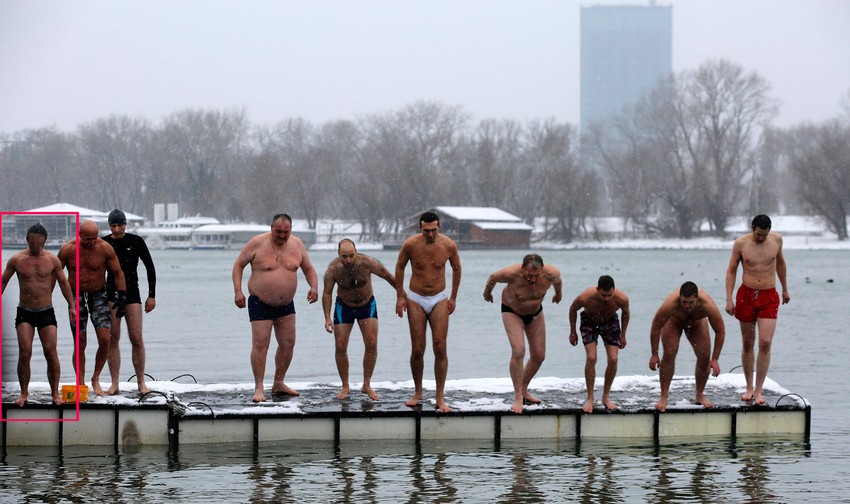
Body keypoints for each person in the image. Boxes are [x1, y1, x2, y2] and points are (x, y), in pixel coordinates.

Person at [232, 213, 318, 402]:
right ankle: (259, 388)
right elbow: (238, 266)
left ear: (291, 230)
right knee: (261, 344)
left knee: (288, 344)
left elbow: (309, 269)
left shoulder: (297, 245)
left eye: (285, 232)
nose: (281, 236)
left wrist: (314, 286)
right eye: (277, 232)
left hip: (286, 304)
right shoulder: (257, 243)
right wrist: (238, 291)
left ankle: (279, 382)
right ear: (271, 229)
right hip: (260, 302)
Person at [394, 211, 461, 413]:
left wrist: (453, 297)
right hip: (415, 297)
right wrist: (400, 295)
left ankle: (440, 396)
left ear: (439, 227)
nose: (430, 234)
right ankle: (418, 391)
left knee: (440, 347)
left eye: (433, 230)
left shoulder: (448, 245)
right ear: (420, 228)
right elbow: (399, 267)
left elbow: (457, 269)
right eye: (426, 230)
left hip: (440, 297)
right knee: (418, 349)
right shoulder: (411, 244)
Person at [2, 224, 76, 406]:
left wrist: (72, 306)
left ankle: (55, 393)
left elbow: (64, 283)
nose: (36, 245)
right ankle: (24, 393)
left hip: (46, 311)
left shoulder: (52, 260)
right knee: (24, 352)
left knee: (51, 353)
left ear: (45, 240)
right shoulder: (16, 260)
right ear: (27, 239)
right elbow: (3, 280)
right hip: (24, 311)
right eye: (33, 242)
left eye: (39, 242)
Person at [483, 254, 562, 414]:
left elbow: (558, 282)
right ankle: (518, 396)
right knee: (519, 351)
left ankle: (524, 388)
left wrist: (558, 294)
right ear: (522, 269)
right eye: (529, 275)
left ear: (542, 270)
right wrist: (487, 293)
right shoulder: (511, 274)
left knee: (539, 355)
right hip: (512, 311)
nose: (533, 280)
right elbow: (493, 278)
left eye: (536, 276)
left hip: (535, 313)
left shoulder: (551, 273)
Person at [725, 214, 790, 405]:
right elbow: (731, 270)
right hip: (746, 295)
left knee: (765, 342)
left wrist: (785, 288)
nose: (761, 238)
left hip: (769, 295)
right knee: (747, 342)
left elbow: (780, 264)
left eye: (764, 235)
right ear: (752, 228)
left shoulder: (776, 240)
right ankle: (749, 388)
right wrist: (729, 299)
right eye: (758, 234)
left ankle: (759, 390)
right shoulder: (741, 244)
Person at [58, 220, 126, 396]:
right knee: (80, 341)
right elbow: (56, 274)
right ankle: (80, 382)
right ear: (80, 235)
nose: (92, 242)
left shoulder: (104, 248)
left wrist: (122, 295)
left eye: (94, 238)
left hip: (98, 294)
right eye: (88, 239)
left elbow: (117, 272)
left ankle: (95, 378)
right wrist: (47, 298)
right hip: (76, 295)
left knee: (105, 339)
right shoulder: (68, 249)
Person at [322, 238, 396, 400]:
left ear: (356, 252)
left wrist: (402, 297)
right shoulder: (333, 269)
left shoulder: (367, 262)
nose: (348, 260)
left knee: (371, 342)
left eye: (351, 255)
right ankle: (345, 386)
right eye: (344, 256)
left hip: (366, 305)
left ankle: (366, 384)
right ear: (338, 254)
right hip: (344, 306)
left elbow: (389, 276)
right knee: (340, 345)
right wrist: (327, 317)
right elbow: (327, 293)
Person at [102, 209, 157, 395]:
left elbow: (150, 268)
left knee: (137, 338)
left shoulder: (136, 241)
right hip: (111, 293)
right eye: (113, 225)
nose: (116, 229)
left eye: (120, 225)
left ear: (125, 224)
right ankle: (115, 382)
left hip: (132, 293)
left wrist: (152, 295)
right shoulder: (105, 242)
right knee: (112, 338)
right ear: (109, 225)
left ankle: (141, 381)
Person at [648, 281, 725, 412]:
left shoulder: (707, 306)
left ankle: (700, 394)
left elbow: (720, 331)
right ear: (680, 298)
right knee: (670, 353)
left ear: (697, 298)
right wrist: (654, 353)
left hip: (697, 323)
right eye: (684, 302)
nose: (687, 306)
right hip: (673, 322)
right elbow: (656, 327)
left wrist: (715, 359)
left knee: (704, 355)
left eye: (690, 302)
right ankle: (663, 396)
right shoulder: (670, 305)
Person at [568, 275, 630, 413]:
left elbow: (625, 313)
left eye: (609, 295)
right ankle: (590, 397)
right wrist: (572, 331)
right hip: (589, 321)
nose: (607, 299)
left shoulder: (622, 299)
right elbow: (573, 309)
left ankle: (605, 396)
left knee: (613, 359)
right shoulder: (585, 297)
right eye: (603, 295)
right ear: (597, 289)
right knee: (591, 358)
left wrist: (623, 335)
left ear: (614, 290)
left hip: (610, 322)